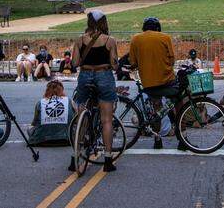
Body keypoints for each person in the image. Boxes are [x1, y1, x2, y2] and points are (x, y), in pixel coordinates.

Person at [71, 10, 119, 172]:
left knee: (81, 115)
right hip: (103, 75)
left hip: (85, 75)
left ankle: (75, 155)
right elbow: (114, 65)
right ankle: (107, 160)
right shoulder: (110, 41)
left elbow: (75, 63)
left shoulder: (79, 40)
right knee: (106, 119)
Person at [129, 16, 185, 151]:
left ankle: (157, 139)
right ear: (158, 28)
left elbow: (133, 63)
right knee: (179, 104)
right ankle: (182, 138)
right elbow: (171, 60)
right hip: (167, 81)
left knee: (157, 109)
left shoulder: (135, 39)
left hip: (149, 83)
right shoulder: (165, 37)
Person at [29, 80, 73, 145]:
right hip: (65, 138)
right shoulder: (69, 101)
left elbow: (34, 123)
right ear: (61, 90)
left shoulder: (40, 102)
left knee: (29, 129)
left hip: (42, 139)